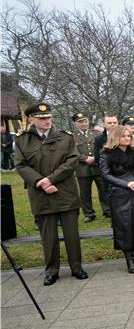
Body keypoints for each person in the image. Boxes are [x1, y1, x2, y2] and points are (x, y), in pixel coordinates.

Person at [14, 103, 88, 285]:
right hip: (41, 194)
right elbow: (21, 165)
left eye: (48, 117)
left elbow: (72, 160)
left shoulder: (65, 137)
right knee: (48, 236)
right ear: (31, 119)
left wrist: (51, 180)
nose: (46, 121)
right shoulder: (22, 140)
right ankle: (52, 270)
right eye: (41, 118)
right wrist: (41, 182)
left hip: (65, 191)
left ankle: (76, 267)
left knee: (72, 234)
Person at [99, 125, 134, 274]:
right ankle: (129, 260)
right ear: (116, 137)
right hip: (119, 194)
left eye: (129, 136)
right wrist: (126, 183)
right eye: (124, 136)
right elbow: (106, 174)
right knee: (125, 227)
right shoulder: (106, 153)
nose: (127, 138)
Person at [72, 112, 109, 222]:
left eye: (85, 121)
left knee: (103, 189)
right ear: (75, 123)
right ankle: (89, 214)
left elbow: (103, 147)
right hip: (82, 168)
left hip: (97, 166)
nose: (84, 124)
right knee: (85, 193)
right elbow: (72, 151)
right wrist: (85, 159)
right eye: (80, 122)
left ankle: (107, 210)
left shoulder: (96, 134)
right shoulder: (71, 136)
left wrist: (95, 157)